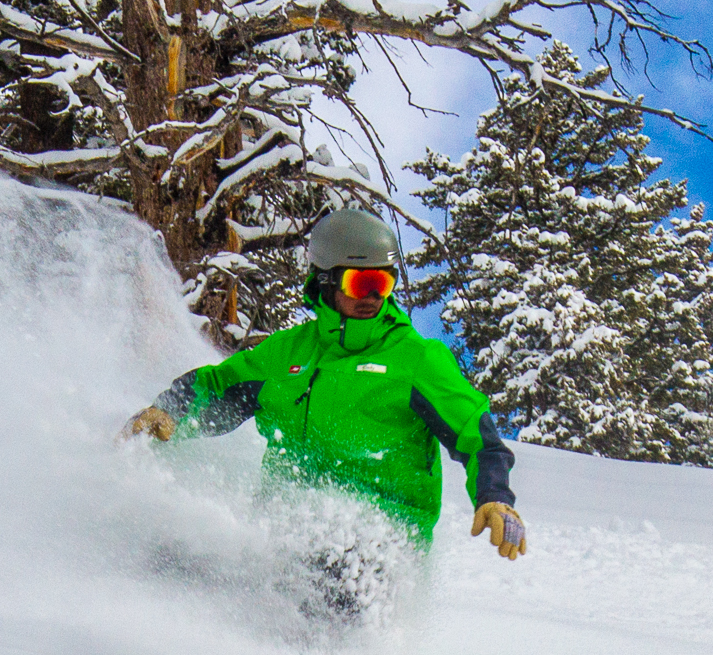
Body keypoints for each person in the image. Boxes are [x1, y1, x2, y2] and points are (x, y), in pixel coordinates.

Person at [120, 209, 528, 567]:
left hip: (377, 543)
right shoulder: (288, 353)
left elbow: (479, 438)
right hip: (284, 530)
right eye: (360, 282)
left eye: (382, 285)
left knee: (319, 579)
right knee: (175, 557)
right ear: (327, 282)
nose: (372, 297)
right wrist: (169, 410)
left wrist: (494, 496)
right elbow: (217, 388)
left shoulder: (416, 360)